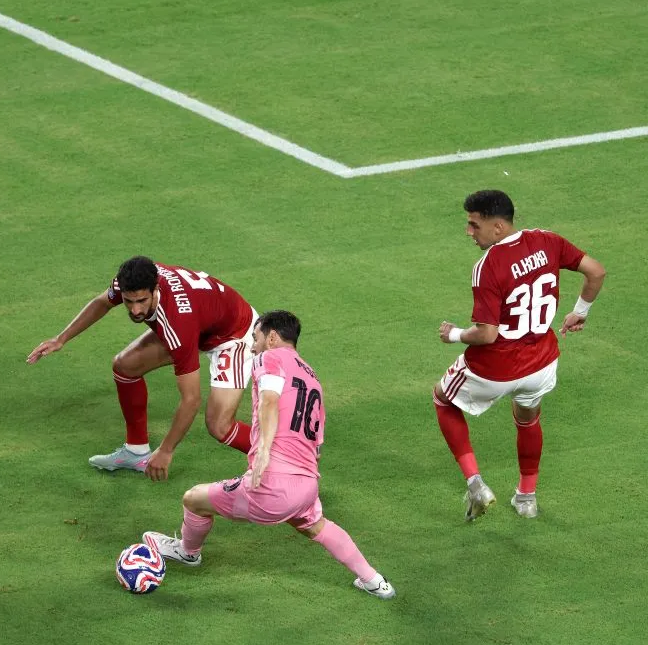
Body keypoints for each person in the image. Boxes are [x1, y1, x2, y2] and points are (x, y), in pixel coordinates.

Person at [142, 310, 395, 599]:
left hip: (272, 484)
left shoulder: (270, 358)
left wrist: (263, 450)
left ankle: (188, 553)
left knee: (193, 499)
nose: (252, 346)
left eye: (256, 338)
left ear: (272, 337)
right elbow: (318, 442)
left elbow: (270, 400)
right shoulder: (312, 378)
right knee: (316, 527)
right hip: (307, 483)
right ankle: (375, 581)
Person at [434, 190, 606, 520]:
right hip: (542, 361)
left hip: (496, 367)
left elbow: (487, 333)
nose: (469, 232)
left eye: (474, 224)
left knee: (443, 400)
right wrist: (580, 311)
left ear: (497, 226)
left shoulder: (487, 266)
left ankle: (476, 485)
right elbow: (596, 271)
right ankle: (526, 498)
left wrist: (453, 334)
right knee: (528, 418)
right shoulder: (548, 241)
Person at [27, 256, 258, 481]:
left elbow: (191, 400)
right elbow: (102, 302)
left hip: (233, 336)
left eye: (142, 301)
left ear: (156, 288)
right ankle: (136, 452)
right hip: (200, 322)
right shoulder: (127, 281)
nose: (136, 310)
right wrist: (61, 339)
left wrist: (166, 451)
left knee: (219, 425)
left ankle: (282, 459)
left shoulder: (177, 323)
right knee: (125, 366)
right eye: (129, 301)